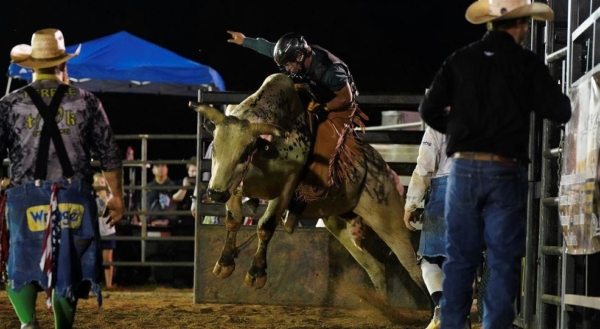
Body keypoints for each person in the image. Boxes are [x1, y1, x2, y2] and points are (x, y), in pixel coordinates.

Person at [419, 1, 572, 328]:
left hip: (462, 170)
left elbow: (429, 109)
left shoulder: (459, 60)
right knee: (502, 260)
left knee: (459, 258)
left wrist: (462, 134)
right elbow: (559, 110)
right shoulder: (525, 63)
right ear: (519, 25)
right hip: (505, 171)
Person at [0, 28, 124, 329]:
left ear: (30, 67)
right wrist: (115, 196)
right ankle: (62, 322)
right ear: (63, 65)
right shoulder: (87, 101)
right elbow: (109, 152)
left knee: (19, 259)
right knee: (68, 263)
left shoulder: (9, 104)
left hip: (25, 197)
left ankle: (28, 322)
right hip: (75, 196)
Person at [226, 31, 367, 232]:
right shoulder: (295, 57)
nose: (286, 68)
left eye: (288, 64)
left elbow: (346, 98)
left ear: (300, 57)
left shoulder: (330, 71)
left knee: (323, 149)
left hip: (338, 106)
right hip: (313, 93)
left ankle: (297, 205)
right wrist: (244, 41)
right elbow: (267, 47)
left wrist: (323, 108)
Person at [403, 126, 451, 329]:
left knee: (430, 259)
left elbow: (424, 166)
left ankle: (441, 307)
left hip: (446, 192)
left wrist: (411, 204)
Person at [93, 172, 116, 289]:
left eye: (102, 182)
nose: (101, 185)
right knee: (94, 258)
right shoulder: (91, 197)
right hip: (95, 232)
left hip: (108, 231)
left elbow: (109, 211)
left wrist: (104, 196)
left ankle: (109, 284)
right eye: (98, 183)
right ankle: (94, 283)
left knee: (107, 259)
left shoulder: (110, 196)